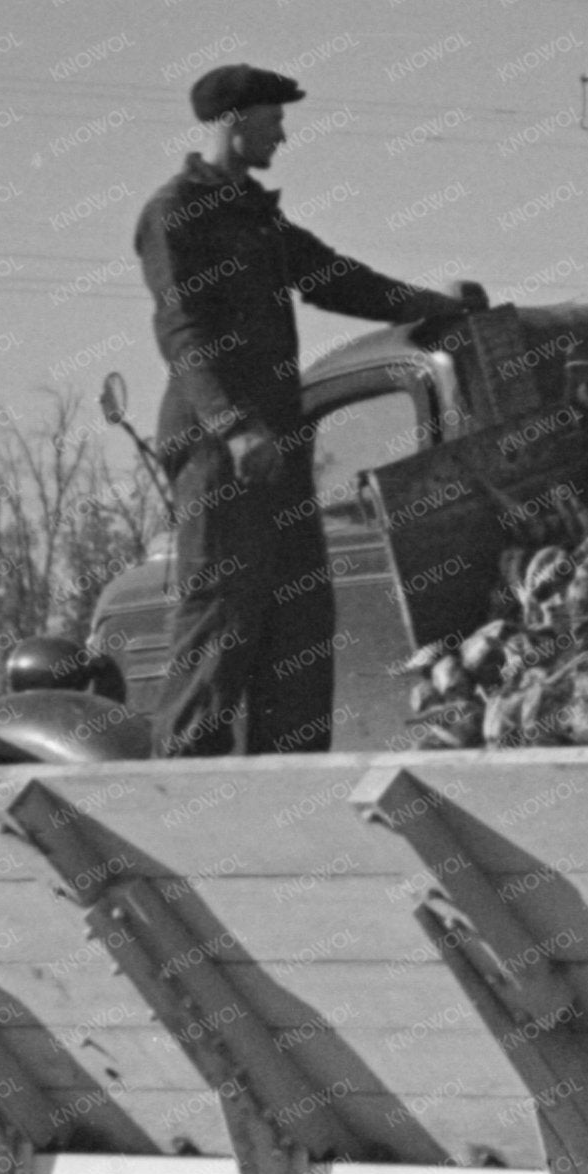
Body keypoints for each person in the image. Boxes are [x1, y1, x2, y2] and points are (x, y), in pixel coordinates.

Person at [136, 63, 471, 758]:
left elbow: (331, 278)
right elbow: (182, 331)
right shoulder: (175, 213)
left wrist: (434, 307)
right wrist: (232, 427)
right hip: (220, 449)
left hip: (278, 443)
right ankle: (182, 789)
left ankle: (291, 784)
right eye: (273, 119)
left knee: (299, 619)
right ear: (236, 122)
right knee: (222, 613)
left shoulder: (257, 216)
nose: (282, 134)